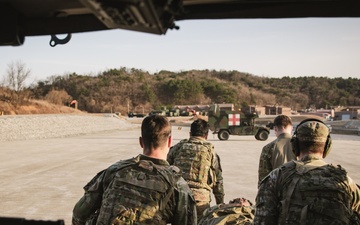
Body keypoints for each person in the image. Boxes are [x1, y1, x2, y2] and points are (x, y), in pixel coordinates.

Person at [72, 115, 197, 225]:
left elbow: (79, 213)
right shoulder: (178, 186)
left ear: (141, 142)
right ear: (170, 141)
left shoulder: (114, 171)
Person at [253, 118, 360, 225]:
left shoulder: (276, 178)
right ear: (327, 146)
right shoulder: (345, 182)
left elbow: (262, 220)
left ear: (295, 145)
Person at [167, 118, 225, 220]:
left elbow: (166, 168)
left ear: (190, 134)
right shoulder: (211, 153)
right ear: (206, 135)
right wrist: (221, 204)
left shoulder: (178, 148)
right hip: (200, 201)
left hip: (178, 198)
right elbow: (218, 181)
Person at [258, 115, 295, 185]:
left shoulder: (268, 148)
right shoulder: (301, 145)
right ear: (292, 128)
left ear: (275, 129)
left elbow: (263, 178)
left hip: (278, 190)